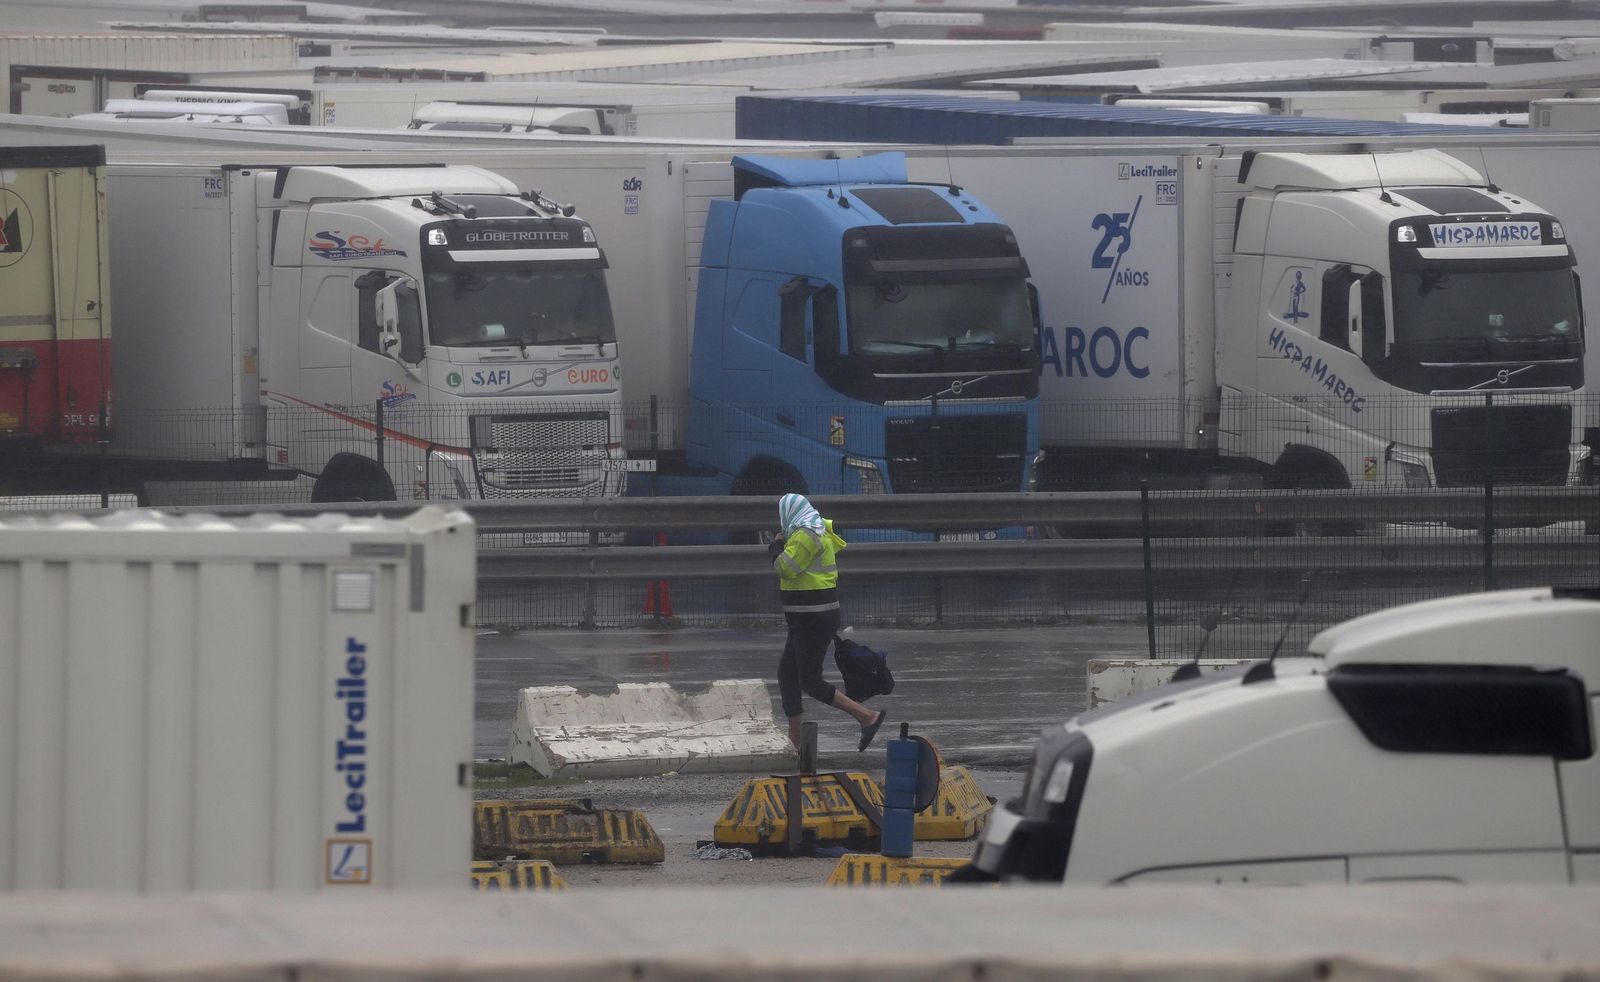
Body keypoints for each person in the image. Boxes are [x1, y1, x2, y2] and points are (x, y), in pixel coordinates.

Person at [767, 493, 887, 752]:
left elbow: (786, 568)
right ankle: (795, 742)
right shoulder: (811, 530)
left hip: (812, 617)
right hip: (807, 617)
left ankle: (866, 716)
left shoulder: (805, 535)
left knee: (810, 681)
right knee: (787, 674)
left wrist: (775, 545)